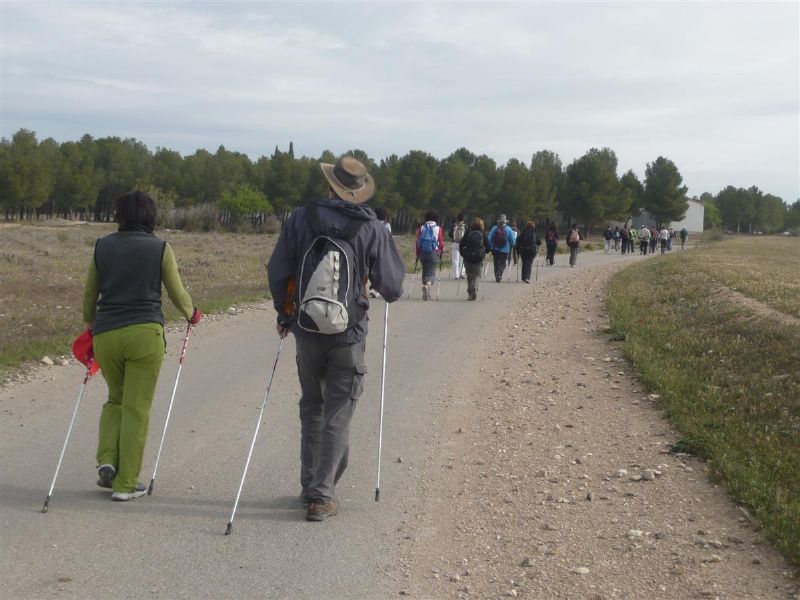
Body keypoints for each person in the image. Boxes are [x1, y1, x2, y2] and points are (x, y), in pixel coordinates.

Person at [267, 155, 405, 522]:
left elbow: (277, 268)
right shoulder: (372, 227)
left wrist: (285, 313)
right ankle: (321, 494)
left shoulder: (300, 218)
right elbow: (391, 286)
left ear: (330, 185)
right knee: (338, 411)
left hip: (306, 328)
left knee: (312, 406)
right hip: (349, 332)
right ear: (357, 192)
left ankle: (311, 484)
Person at [82, 191, 201, 501]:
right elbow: (176, 292)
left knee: (115, 399)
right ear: (150, 216)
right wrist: (192, 314)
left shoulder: (102, 246)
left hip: (107, 334)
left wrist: (90, 325)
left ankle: (108, 458)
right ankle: (125, 484)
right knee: (137, 408)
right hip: (144, 334)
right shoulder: (160, 248)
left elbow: (89, 294)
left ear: (119, 215)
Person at [415, 210, 444, 301]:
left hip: (422, 252)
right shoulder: (438, 229)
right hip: (433, 252)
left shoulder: (422, 228)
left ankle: (426, 287)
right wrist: (441, 251)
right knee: (431, 271)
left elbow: (417, 242)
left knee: (425, 270)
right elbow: (441, 243)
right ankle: (427, 285)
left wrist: (417, 253)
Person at [459, 217, 490, 300]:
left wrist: (462, 253)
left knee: (469, 275)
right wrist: (485, 252)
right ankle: (474, 287)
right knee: (477, 275)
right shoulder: (483, 233)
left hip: (468, 257)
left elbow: (461, 244)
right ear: (482, 225)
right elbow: (488, 247)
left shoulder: (468, 232)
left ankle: (470, 294)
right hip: (478, 258)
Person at [487, 214, 516, 282]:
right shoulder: (508, 229)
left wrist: (490, 247)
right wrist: (512, 245)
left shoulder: (494, 228)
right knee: (503, 263)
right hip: (505, 250)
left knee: (496, 263)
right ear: (505, 221)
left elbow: (489, 239)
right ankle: (499, 273)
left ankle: (497, 275)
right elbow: (512, 240)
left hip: (495, 249)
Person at [449, 212, 467, 279]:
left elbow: (450, 234)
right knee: (462, 259)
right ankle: (462, 273)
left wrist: (453, 237)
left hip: (455, 243)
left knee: (455, 260)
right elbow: (467, 235)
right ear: (463, 219)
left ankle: (456, 275)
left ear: (457, 218)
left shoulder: (454, 225)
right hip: (463, 244)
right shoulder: (465, 226)